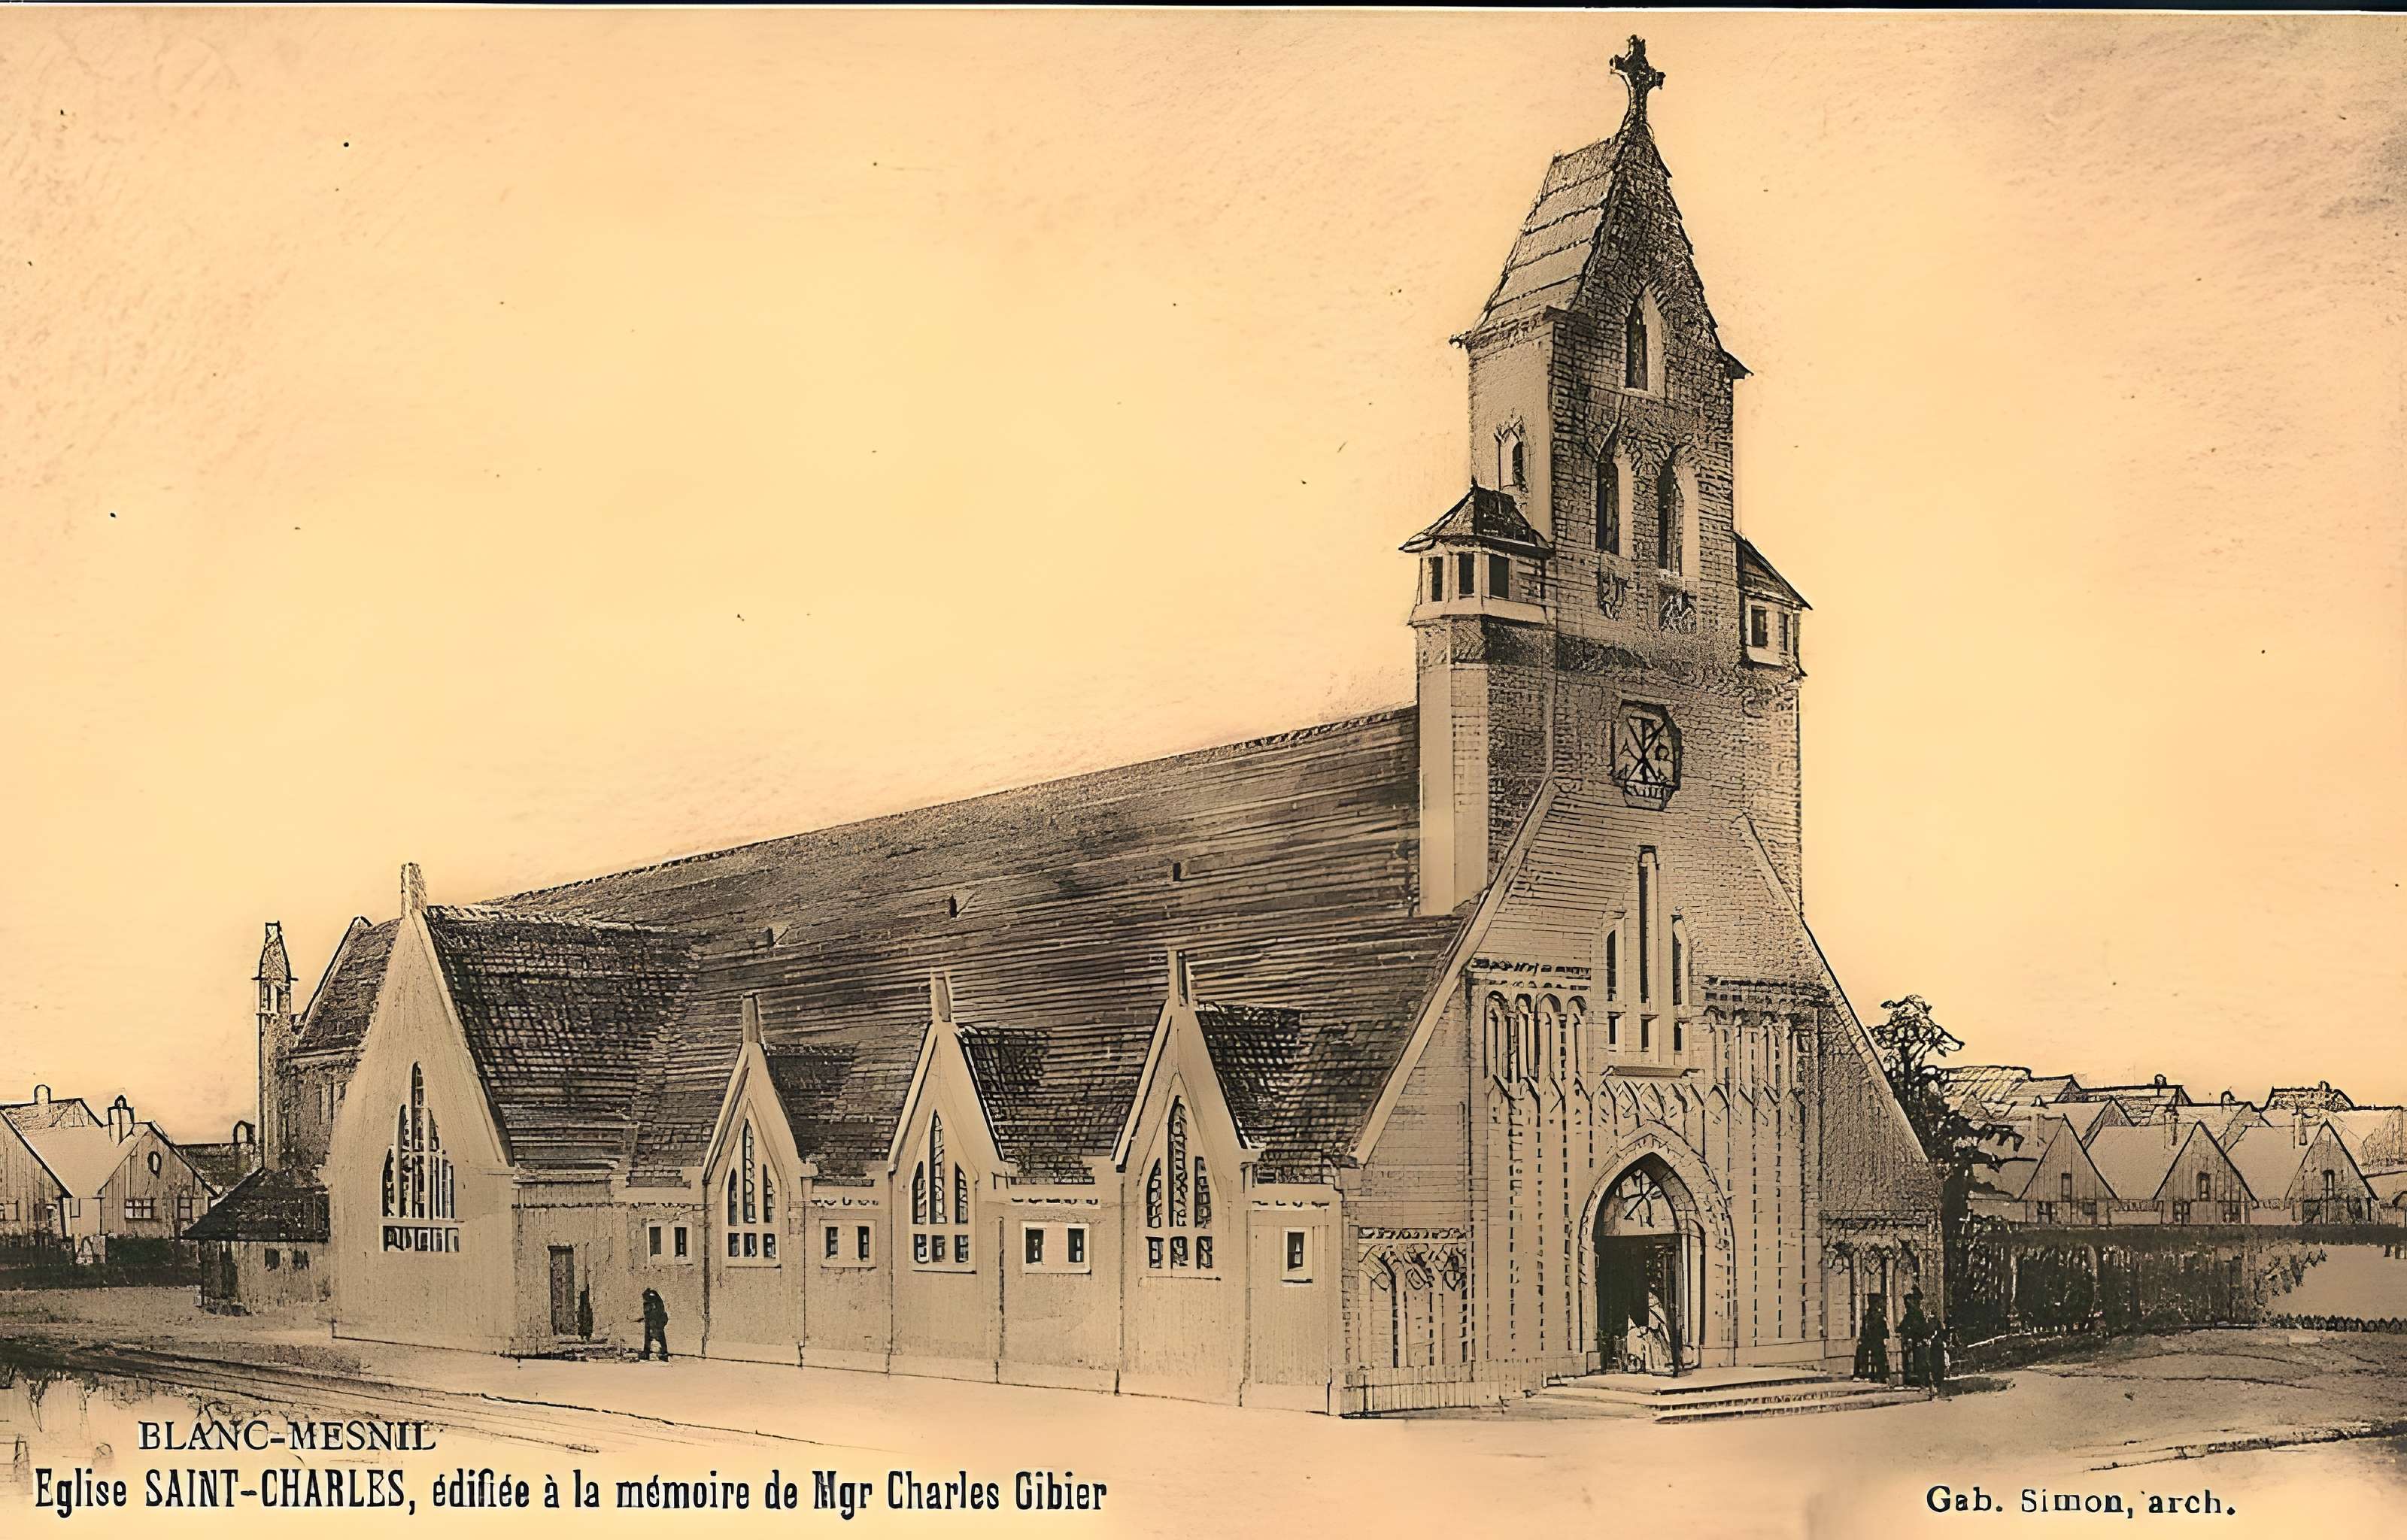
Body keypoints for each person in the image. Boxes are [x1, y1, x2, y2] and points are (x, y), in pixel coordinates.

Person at [1853, 1293, 1890, 1383]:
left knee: (1876, 1352)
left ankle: (1868, 1373)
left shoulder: (1875, 1317)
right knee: (1863, 1351)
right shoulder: (1873, 1317)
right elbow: (1885, 1333)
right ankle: (1865, 1373)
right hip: (1872, 1341)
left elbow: (1884, 1332)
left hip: (1875, 1342)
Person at [1898, 1290, 1931, 1388]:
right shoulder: (1911, 1314)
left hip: (1918, 1339)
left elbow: (1916, 1327)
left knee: (1920, 1360)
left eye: (1908, 1303)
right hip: (1915, 1339)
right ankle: (1918, 1379)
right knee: (1916, 1359)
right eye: (1905, 1304)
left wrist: (1906, 1332)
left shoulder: (1916, 1313)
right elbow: (1905, 1325)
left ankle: (1923, 1381)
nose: (1906, 1306)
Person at [641, 1287, 669, 1361]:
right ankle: (649, 1353)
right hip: (652, 1321)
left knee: (658, 1336)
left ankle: (662, 1353)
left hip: (657, 1322)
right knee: (650, 1337)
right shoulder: (650, 1306)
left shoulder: (657, 1306)